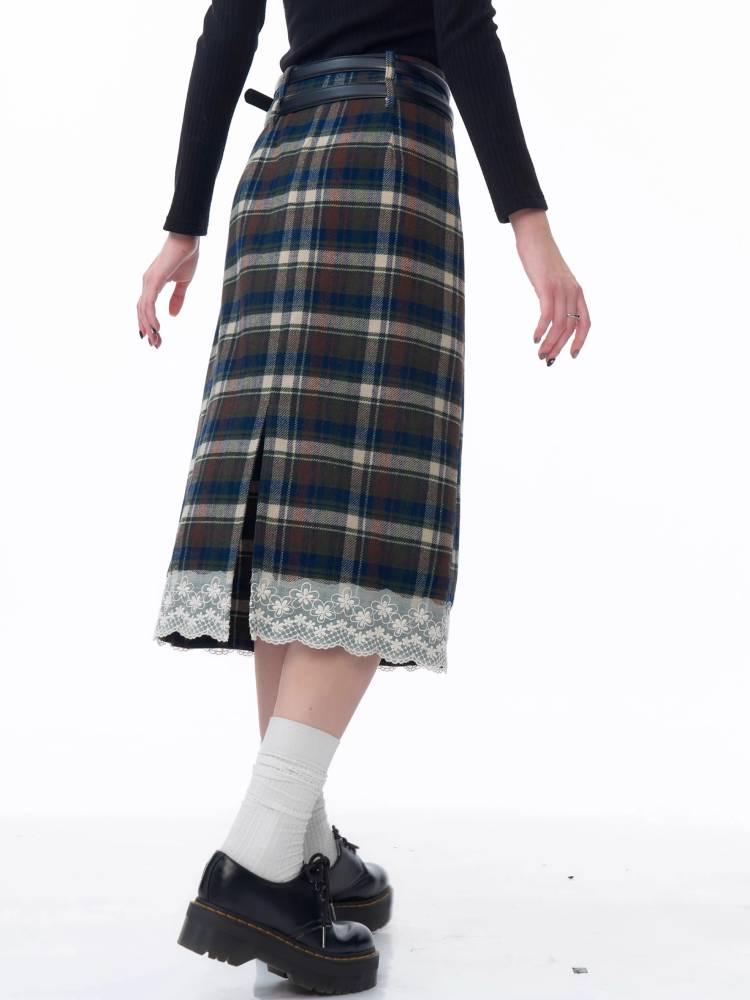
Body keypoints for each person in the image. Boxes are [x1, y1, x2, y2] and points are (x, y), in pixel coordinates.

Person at [137, 1, 591, 992]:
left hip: (283, 159)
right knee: (366, 516)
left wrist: (183, 221)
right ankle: (260, 861)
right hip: (385, 160)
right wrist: (532, 226)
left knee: (299, 513)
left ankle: (299, 841)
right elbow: (461, 24)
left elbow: (227, 29)